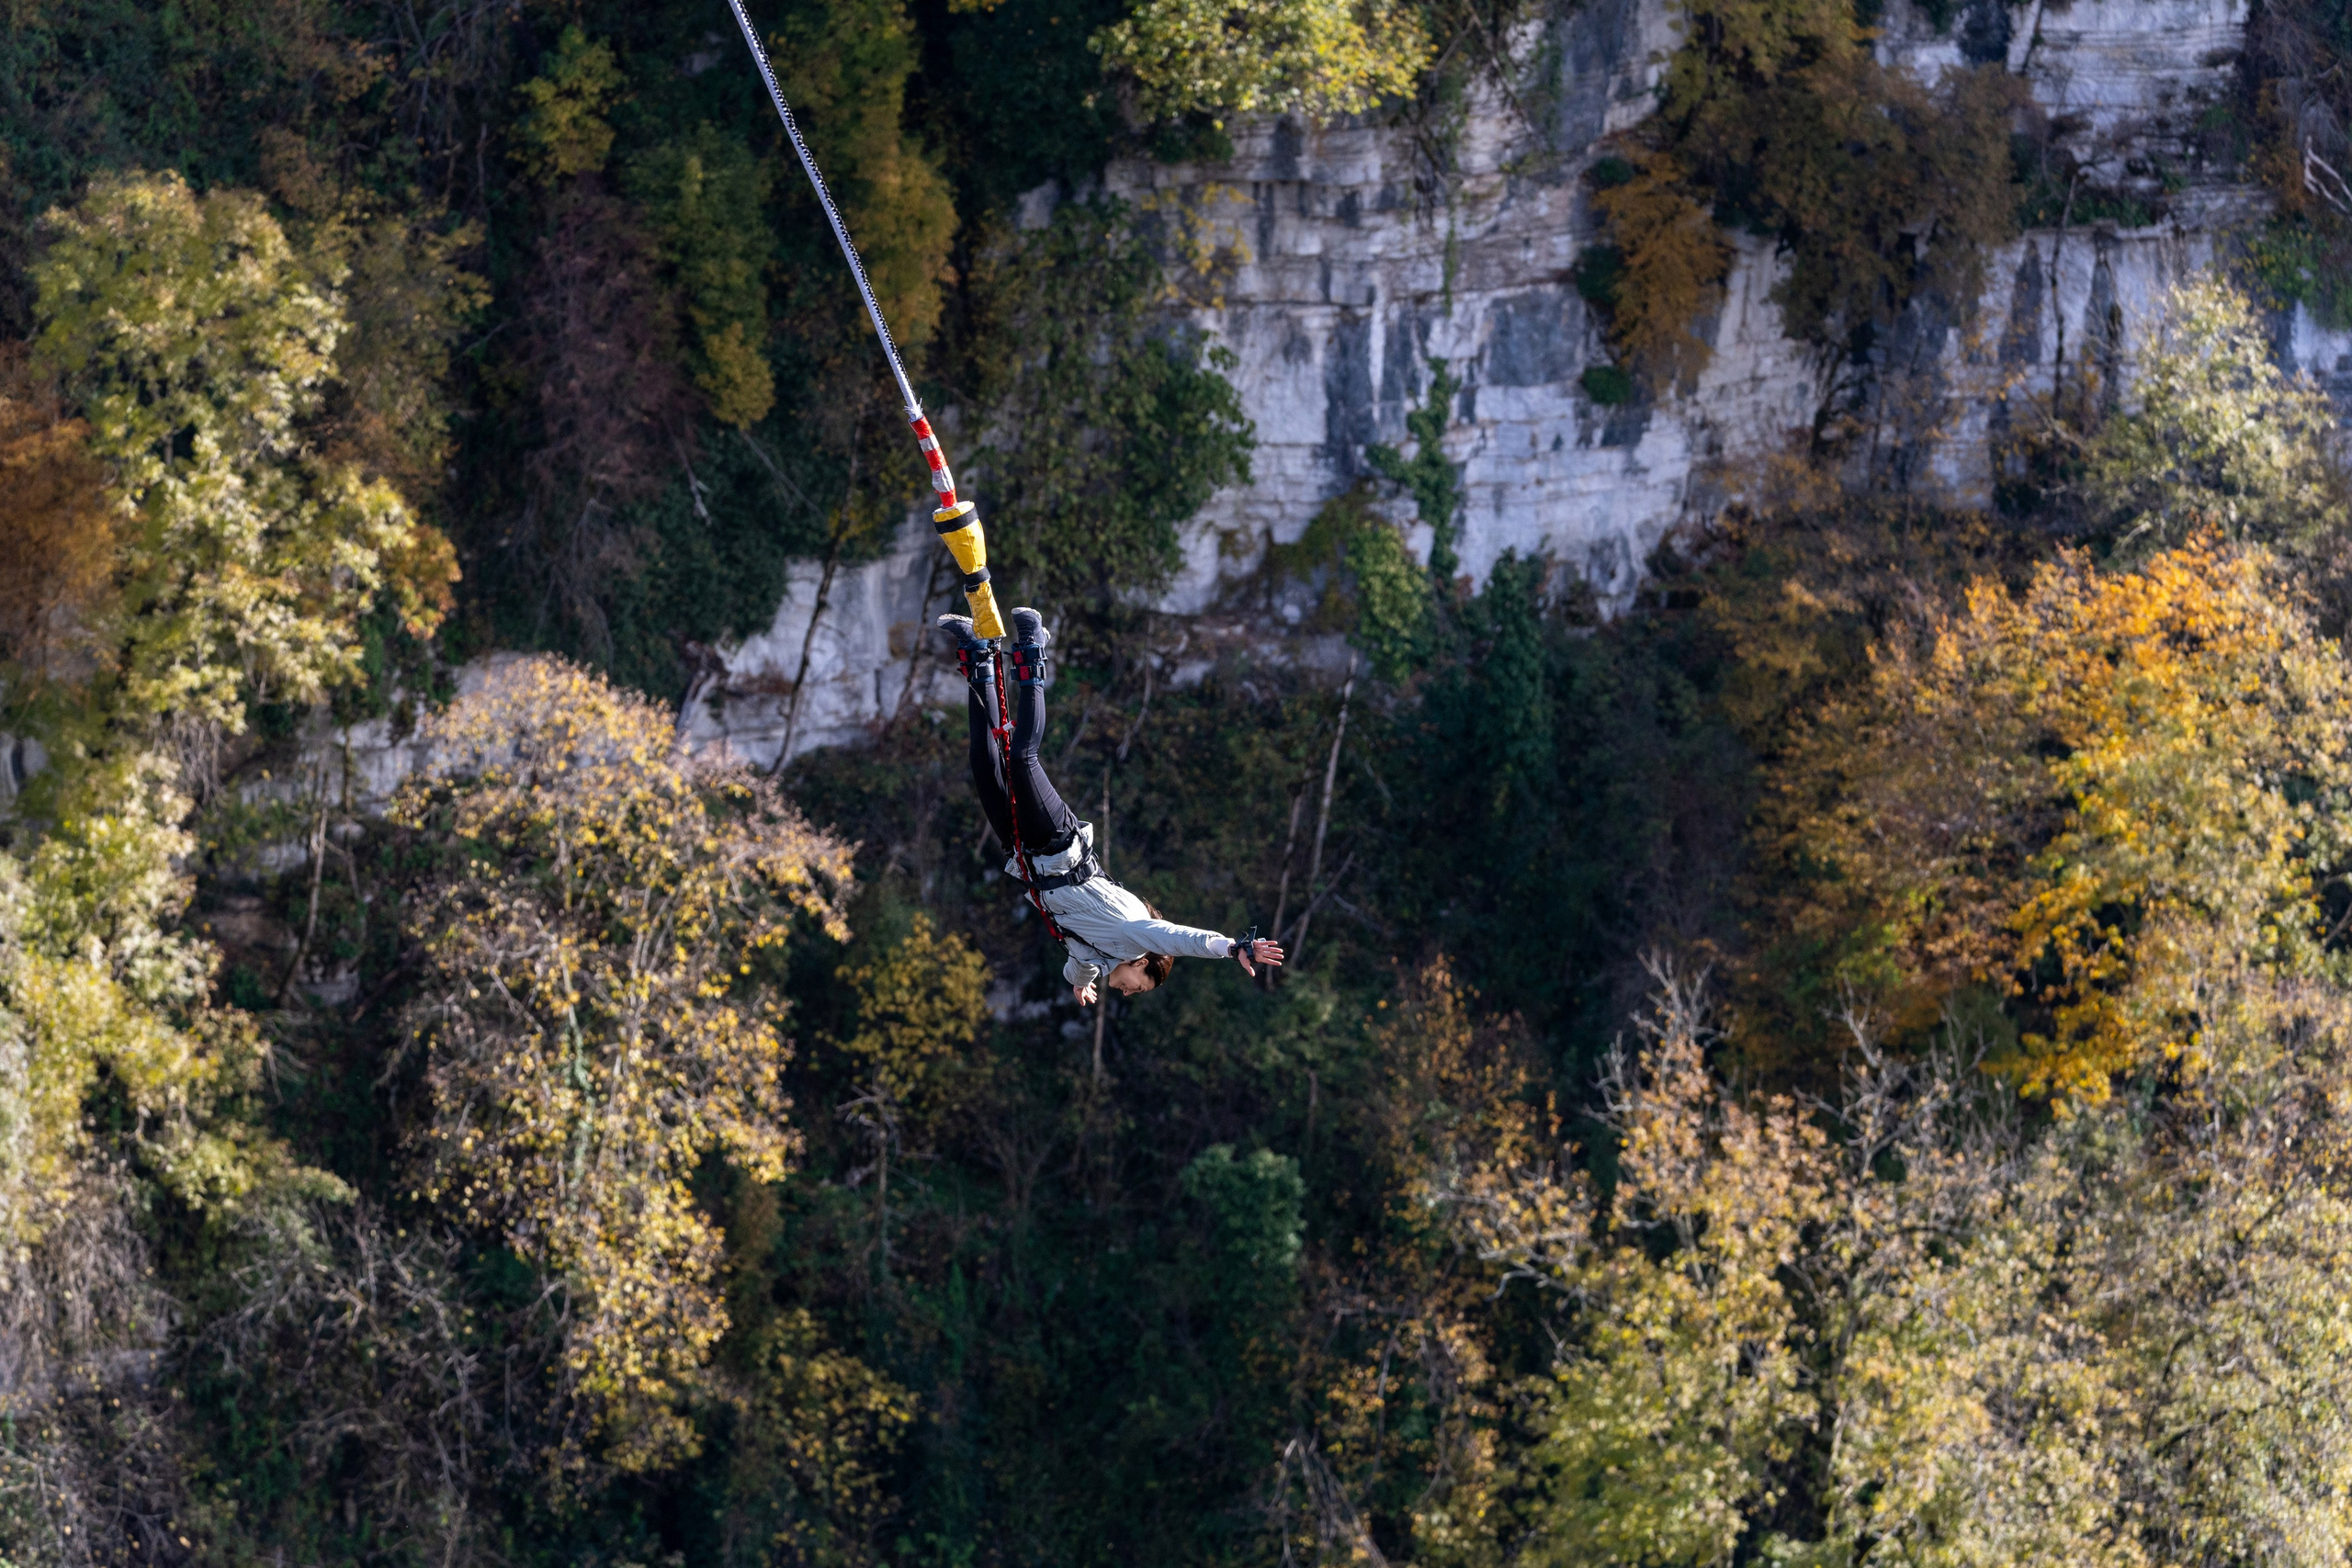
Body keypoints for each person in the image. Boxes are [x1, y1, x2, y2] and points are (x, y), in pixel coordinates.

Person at [943, 606, 1283, 1004]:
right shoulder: (1133, 936)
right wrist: (1231, 947)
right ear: (1143, 963)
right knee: (1020, 759)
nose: (1124, 992)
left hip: (1023, 853)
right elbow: (1180, 938)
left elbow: (1079, 962)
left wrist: (1078, 982)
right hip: (1055, 843)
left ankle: (976, 653)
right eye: (1137, 987)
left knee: (984, 764)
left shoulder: (1099, 957)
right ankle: (1032, 646)